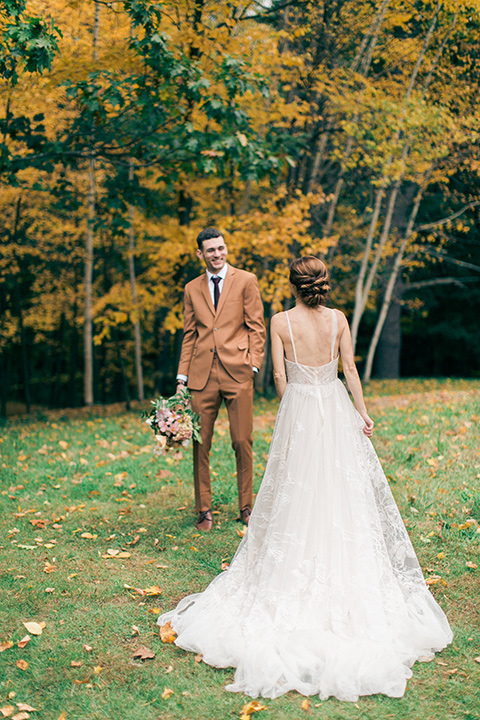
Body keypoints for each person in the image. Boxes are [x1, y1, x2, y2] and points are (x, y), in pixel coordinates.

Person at [159, 256, 452, 701]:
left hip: (299, 405)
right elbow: (349, 369)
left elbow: (278, 376)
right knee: (341, 489)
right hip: (334, 405)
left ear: (293, 286)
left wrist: (293, 405)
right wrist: (362, 412)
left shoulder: (280, 322)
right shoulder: (337, 319)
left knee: (294, 491)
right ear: (323, 285)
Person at [176, 227, 266, 531]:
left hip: (238, 372)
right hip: (201, 377)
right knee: (201, 444)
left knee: (242, 441)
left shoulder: (246, 281)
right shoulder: (191, 289)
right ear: (200, 254)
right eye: (211, 250)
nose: (217, 254)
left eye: (221, 248)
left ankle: (246, 506)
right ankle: (204, 510)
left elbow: (257, 327)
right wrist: (182, 377)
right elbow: (190, 335)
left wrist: (252, 365)